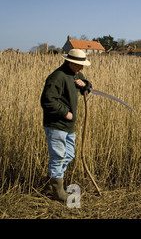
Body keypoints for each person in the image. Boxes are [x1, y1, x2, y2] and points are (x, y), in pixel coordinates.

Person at [40, 49, 92, 201]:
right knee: (58, 157)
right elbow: (47, 100)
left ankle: (51, 184)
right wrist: (65, 113)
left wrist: (84, 85)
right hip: (56, 125)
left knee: (69, 155)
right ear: (71, 62)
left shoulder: (75, 74)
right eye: (80, 65)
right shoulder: (57, 77)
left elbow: (87, 85)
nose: (82, 68)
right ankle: (58, 192)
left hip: (68, 126)